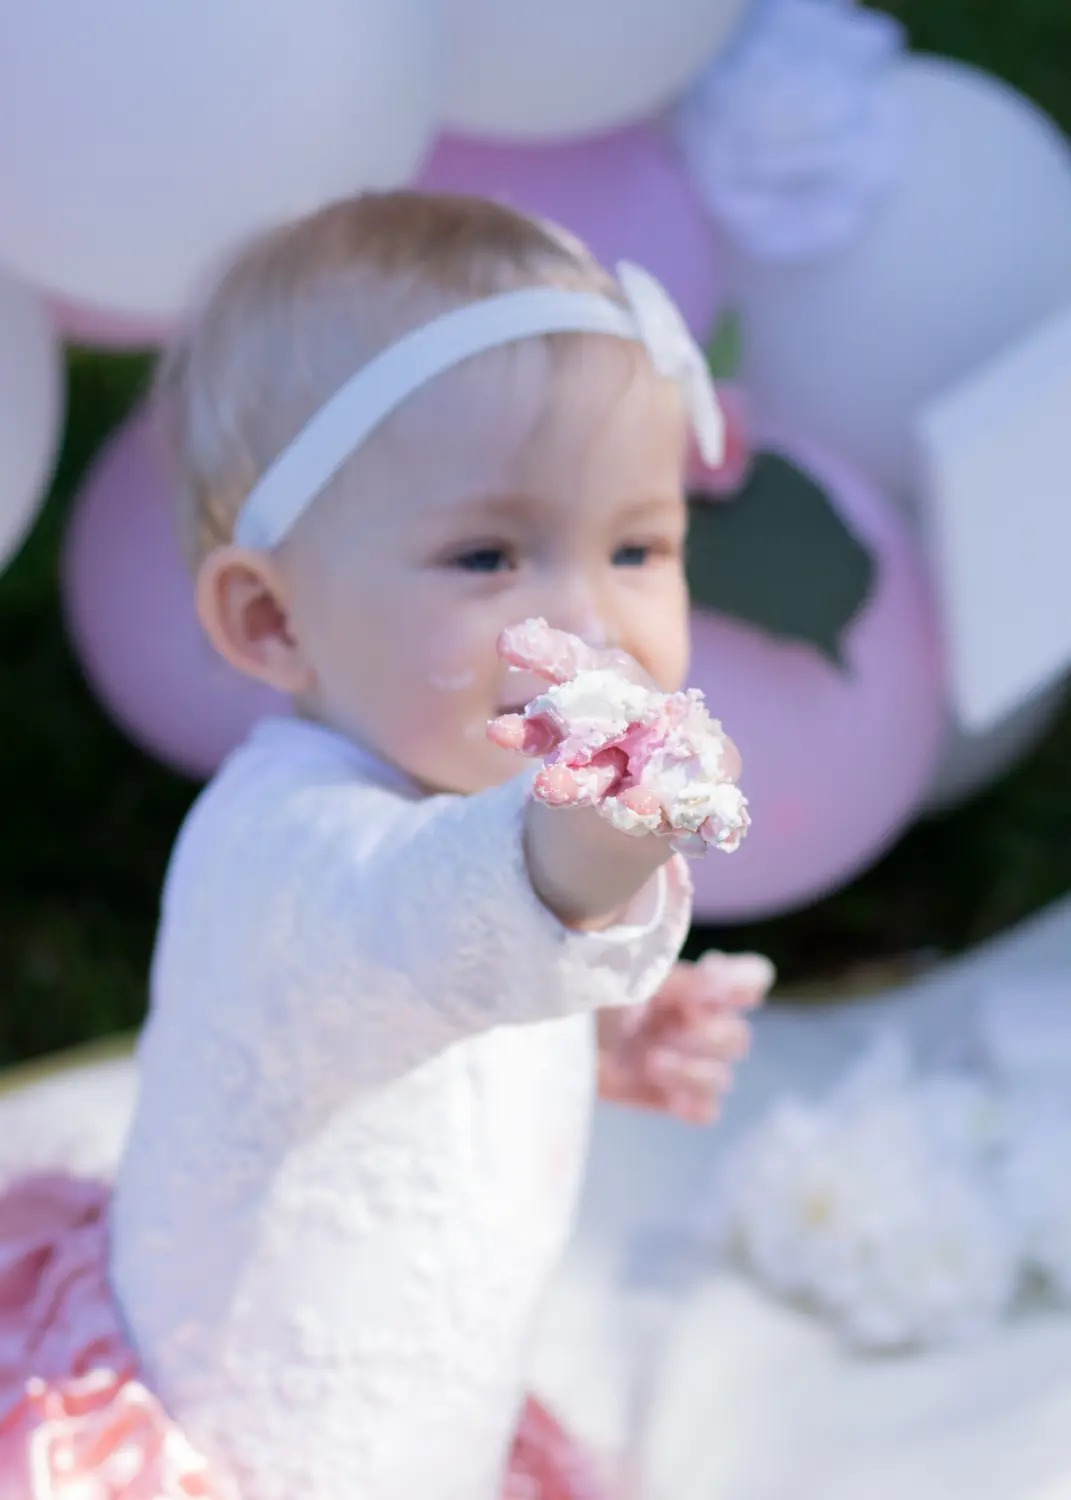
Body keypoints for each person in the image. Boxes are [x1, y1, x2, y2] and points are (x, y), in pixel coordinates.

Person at [0, 191, 774, 1500]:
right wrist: (587, 855)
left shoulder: (466, 809)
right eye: (486, 555)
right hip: (249, 1448)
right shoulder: (289, 849)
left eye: (637, 545)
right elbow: (424, 920)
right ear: (272, 620)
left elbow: (447, 992)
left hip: (427, 1421)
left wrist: (589, 1035)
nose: (592, 620)